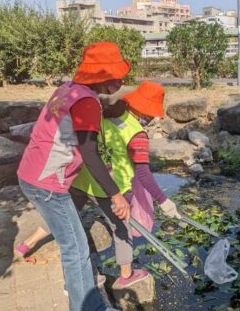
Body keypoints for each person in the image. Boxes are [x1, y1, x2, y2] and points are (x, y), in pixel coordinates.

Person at [17, 42, 131, 311]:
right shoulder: (88, 102)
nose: (122, 81)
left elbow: (79, 147)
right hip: (47, 183)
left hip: (31, 172)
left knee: (71, 241)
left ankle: (76, 288)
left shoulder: (69, 89)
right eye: (117, 75)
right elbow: (89, 152)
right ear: (101, 76)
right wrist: (116, 195)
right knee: (76, 247)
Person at [71, 80, 180, 286]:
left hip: (83, 176)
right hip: (114, 186)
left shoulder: (107, 114)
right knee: (122, 228)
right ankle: (126, 275)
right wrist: (164, 201)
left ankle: (27, 244)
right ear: (147, 112)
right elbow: (144, 175)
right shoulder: (137, 133)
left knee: (67, 216)